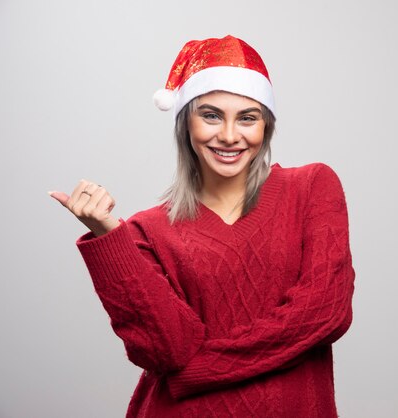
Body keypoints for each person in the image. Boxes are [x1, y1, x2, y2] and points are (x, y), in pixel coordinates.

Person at [49, 35, 355, 418]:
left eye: (248, 117)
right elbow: (166, 349)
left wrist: (198, 371)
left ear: (266, 126)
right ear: (185, 124)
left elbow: (325, 313)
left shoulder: (311, 188)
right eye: (211, 115)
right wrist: (110, 237)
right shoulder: (147, 230)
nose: (229, 135)